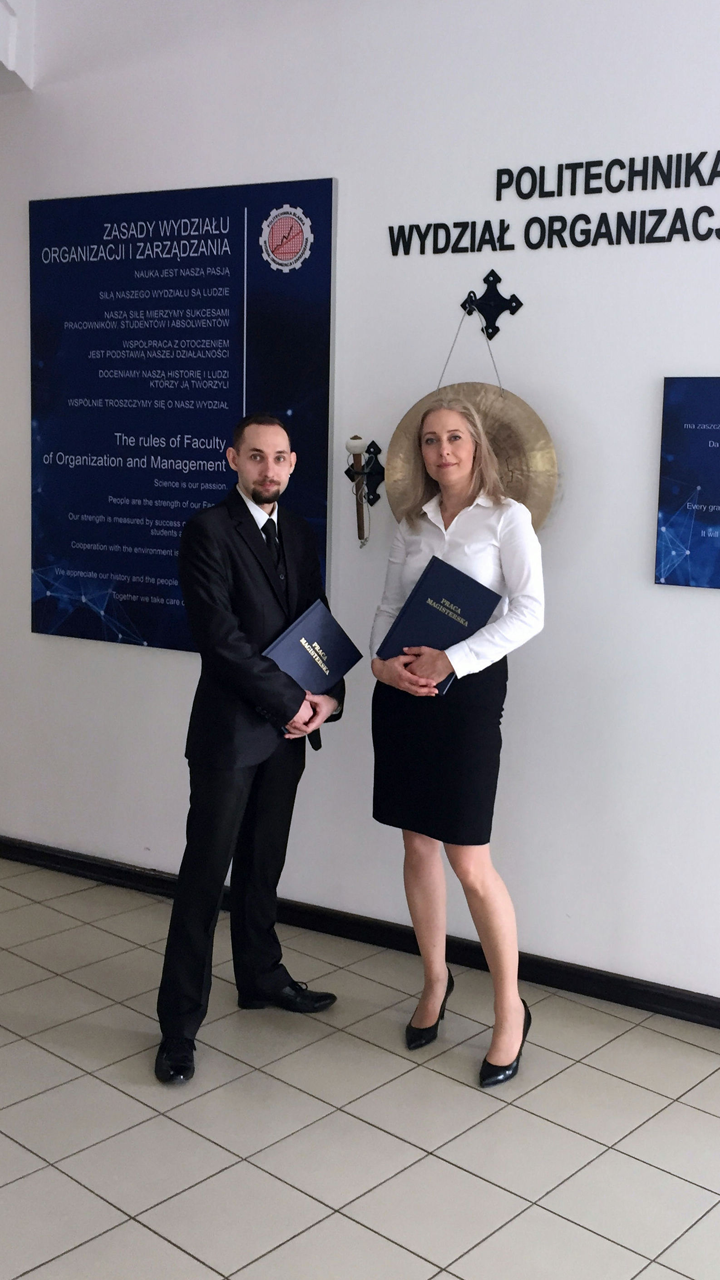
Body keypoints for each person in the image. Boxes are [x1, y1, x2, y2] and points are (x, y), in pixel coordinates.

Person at [155, 413, 343, 1084]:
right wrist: (290, 701)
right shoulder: (207, 530)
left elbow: (316, 624)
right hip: (231, 734)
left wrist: (328, 696)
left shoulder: (300, 530)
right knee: (205, 878)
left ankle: (261, 976)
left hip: (287, 736)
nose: (270, 469)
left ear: (293, 464)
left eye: (280, 458)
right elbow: (221, 640)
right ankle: (178, 1027)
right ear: (233, 459)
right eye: (256, 456)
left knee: (263, 866)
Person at [370, 396, 544, 1087]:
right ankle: (436, 982)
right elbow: (389, 606)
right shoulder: (410, 522)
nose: (443, 451)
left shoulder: (507, 518)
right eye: (431, 440)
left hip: (467, 696)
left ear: (476, 446)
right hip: (403, 694)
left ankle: (509, 1011)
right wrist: (381, 665)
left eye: (455, 438)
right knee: (417, 845)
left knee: (470, 861)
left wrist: (455, 660)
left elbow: (530, 613)